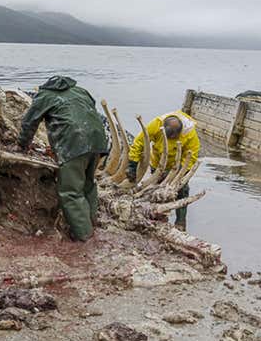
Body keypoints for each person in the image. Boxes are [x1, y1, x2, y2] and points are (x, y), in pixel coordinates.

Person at [17, 76, 108, 241]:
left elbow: (29, 122)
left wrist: (22, 145)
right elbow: (86, 111)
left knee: (70, 192)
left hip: (74, 143)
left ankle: (85, 237)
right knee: (88, 184)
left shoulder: (45, 96)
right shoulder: (81, 91)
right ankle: (91, 222)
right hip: (97, 140)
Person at [127, 110, 200, 230]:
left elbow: (192, 155)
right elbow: (140, 142)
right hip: (158, 163)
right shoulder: (156, 124)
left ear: (179, 133)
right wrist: (132, 165)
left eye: (173, 137)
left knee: (182, 190)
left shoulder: (190, 133)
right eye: (168, 137)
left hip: (177, 165)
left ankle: (180, 222)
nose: (170, 139)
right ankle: (157, 218)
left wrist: (178, 171)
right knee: (156, 190)